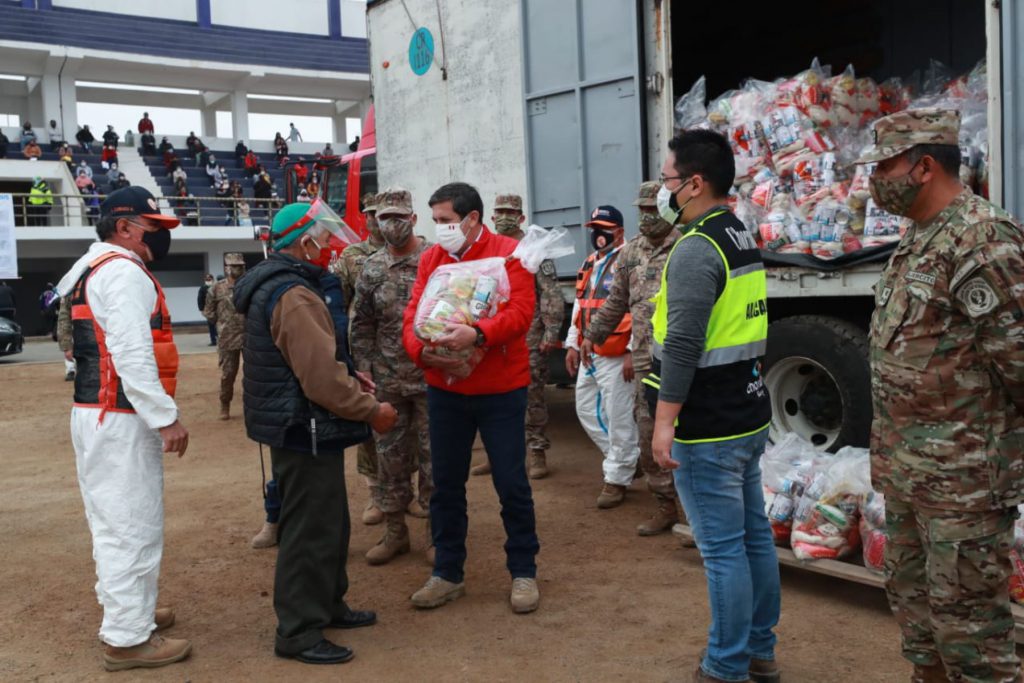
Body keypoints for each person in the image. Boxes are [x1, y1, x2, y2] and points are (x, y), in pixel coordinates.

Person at [859, 109, 1024, 683]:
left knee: (971, 637)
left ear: (924, 166)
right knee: (918, 619)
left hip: (964, 484)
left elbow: (1018, 360)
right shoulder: (919, 237)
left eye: (884, 167)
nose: (874, 181)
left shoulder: (982, 237)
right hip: (909, 474)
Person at [232, 200, 397, 665]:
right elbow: (319, 380)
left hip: (303, 424)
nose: (327, 247)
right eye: (322, 239)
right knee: (308, 529)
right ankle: (299, 630)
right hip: (301, 426)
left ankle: (327, 603)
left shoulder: (286, 284)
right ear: (303, 242)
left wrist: (349, 374)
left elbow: (315, 360)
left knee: (330, 521)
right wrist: (371, 410)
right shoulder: (294, 294)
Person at [647, 128, 778, 683]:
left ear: (694, 183)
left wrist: (664, 422)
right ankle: (759, 651)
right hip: (746, 410)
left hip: (707, 427)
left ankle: (725, 666)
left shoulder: (697, 247)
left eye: (667, 179)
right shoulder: (738, 233)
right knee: (754, 538)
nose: (662, 189)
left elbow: (683, 344)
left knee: (723, 551)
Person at [54, 185, 191, 672]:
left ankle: (132, 611)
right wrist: (164, 416)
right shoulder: (123, 273)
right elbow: (132, 352)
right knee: (131, 524)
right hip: (118, 416)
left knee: (114, 522)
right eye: (153, 227)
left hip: (97, 413)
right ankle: (128, 639)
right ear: (124, 228)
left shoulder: (91, 266)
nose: (160, 237)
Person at [402, 182, 541, 614]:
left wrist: (478, 334)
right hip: (445, 390)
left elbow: (521, 313)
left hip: (501, 390)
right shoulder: (432, 259)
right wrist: (419, 350)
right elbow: (412, 314)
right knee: (445, 485)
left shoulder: (509, 254)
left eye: (446, 220)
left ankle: (523, 571)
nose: (439, 228)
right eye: (436, 221)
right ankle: (447, 573)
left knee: (511, 483)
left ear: (472, 218)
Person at [582, 181, 684, 536]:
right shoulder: (631, 253)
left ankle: (694, 513)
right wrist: (591, 335)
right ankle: (666, 506)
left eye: (652, 210)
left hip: (683, 358)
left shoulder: (686, 244)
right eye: (642, 210)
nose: (646, 217)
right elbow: (616, 301)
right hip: (645, 360)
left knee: (688, 434)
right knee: (648, 432)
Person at [351, 187, 433, 565]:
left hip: (432, 376)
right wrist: (363, 369)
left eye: (399, 217)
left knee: (436, 458)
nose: (392, 224)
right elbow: (362, 324)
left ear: (413, 218)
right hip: (387, 381)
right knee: (390, 457)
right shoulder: (371, 268)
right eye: (385, 218)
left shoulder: (434, 259)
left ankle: (436, 534)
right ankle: (396, 532)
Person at [472, 193, 562, 480]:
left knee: (532, 395)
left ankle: (536, 452)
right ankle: (495, 455)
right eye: (499, 212)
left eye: (511, 213)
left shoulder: (534, 250)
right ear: (491, 216)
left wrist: (551, 330)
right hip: (492, 334)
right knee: (492, 397)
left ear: (521, 217)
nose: (504, 217)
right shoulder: (487, 248)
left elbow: (550, 293)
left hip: (528, 334)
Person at [565, 205, 638, 508]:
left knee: (619, 416)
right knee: (585, 409)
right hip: (589, 350)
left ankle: (617, 478)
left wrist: (633, 350)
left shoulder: (630, 260)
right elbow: (580, 306)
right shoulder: (590, 262)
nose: (598, 234)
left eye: (604, 229)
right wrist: (572, 343)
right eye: (594, 228)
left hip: (616, 351)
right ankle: (624, 460)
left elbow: (643, 307)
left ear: (619, 232)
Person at [330, 193, 388, 526]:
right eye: (371, 214)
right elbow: (341, 304)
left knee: (408, 423)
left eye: (383, 214)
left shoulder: (416, 251)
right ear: (365, 219)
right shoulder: (351, 256)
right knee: (369, 420)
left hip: (403, 353)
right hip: (365, 352)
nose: (377, 220)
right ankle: (375, 493)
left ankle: (406, 490)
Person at [203, 253, 246, 420]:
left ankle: (253, 406)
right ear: (226, 268)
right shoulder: (216, 288)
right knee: (228, 374)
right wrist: (222, 324)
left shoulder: (249, 284)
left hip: (249, 335)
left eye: (240, 266)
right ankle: (225, 403)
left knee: (254, 374)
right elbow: (209, 311)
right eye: (234, 266)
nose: (238, 269)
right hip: (228, 337)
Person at [56, 293, 76, 380]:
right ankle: (70, 369)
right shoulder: (68, 292)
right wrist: (67, 346)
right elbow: (64, 319)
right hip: (76, 326)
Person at [197, 274, 217, 346]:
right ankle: (213, 340)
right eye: (207, 279)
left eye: (209, 279)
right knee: (211, 325)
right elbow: (200, 299)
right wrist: (201, 309)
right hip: (209, 310)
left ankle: (220, 339)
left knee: (219, 325)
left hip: (218, 309)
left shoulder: (216, 287)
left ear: (213, 279)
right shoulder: (203, 288)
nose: (208, 281)